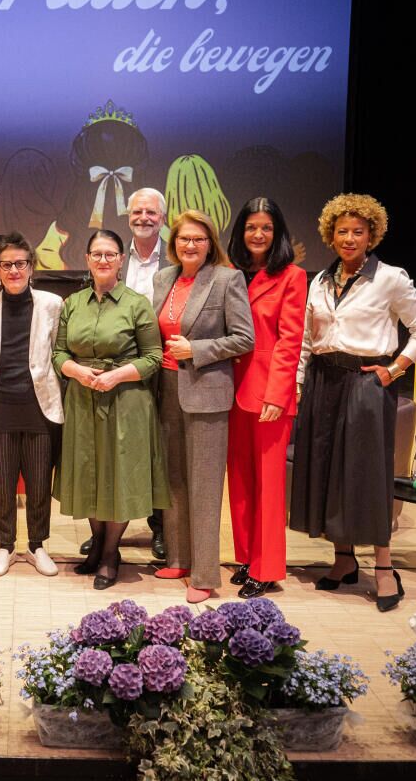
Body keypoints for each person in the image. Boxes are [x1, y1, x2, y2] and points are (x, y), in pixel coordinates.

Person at [290, 193, 416, 612]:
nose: (350, 238)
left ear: (372, 235)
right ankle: (344, 560)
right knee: (327, 471)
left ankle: (385, 568)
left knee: (367, 475)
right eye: (342, 231)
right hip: (323, 380)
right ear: (330, 235)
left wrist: (394, 370)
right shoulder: (320, 280)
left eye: (358, 231)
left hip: (366, 382)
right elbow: (307, 340)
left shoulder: (390, 278)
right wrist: (300, 385)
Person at [54, 229, 169, 590]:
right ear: (87, 259)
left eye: (110, 254)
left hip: (125, 401)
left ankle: (109, 554)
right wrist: (76, 371)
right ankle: (98, 545)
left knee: (118, 474)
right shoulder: (73, 303)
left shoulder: (137, 304)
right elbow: (59, 353)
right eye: (96, 254)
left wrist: (116, 376)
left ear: (121, 260)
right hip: (82, 398)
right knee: (87, 471)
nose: (103, 260)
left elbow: (154, 357)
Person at [152, 210, 254, 603]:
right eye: (183, 239)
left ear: (210, 243)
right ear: (173, 243)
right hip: (165, 387)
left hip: (206, 392)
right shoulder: (164, 278)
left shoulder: (227, 279)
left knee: (205, 486)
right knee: (175, 480)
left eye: (198, 239)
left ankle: (206, 574)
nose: (190, 245)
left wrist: (196, 349)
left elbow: (244, 338)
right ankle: (179, 558)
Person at [225, 199, 307, 598]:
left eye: (267, 228)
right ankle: (246, 558)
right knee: (240, 482)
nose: (258, 234)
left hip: (269, 394)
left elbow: (291, 341)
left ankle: (268, 567)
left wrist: (278, 392)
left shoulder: (292, 276)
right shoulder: (229, 272)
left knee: (269, 486)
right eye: (251, 227)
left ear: (278, 233)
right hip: (229, 389)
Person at [86, 186, 170, 561]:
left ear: (162, 218)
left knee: (161, 447)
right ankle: (107, 533)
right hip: (123, 367)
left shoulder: (175, 256)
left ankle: (161, 527)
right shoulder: (118, 258)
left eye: (151, 212)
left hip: (168, 361)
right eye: (137, 212)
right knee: (119, 449)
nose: (143, 218)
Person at [0, 232, 64, 578]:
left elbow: (56, 354)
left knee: (39, 483)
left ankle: (37, 545)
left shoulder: (52, 304)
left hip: (40, 407)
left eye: (20, 264)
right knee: (2, 482)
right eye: (6, 264)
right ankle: (6, 545)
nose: (14, 270)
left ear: (31, 268)